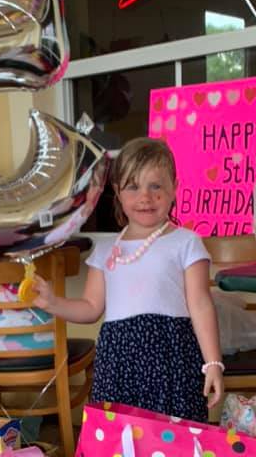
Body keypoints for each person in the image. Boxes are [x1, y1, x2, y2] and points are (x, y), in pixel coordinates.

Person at [33, 137, 224, 422]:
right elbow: (90, 307)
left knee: (175, 435)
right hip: (118, 360)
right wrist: (53, 303)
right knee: (119, 435)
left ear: (174, 188)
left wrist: (213, 362)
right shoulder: (105, 249)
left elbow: (200, 304)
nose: (145, 197)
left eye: (155, 186)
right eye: (133, 186)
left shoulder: (186, 242)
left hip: (172, 356)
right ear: (117, 192)